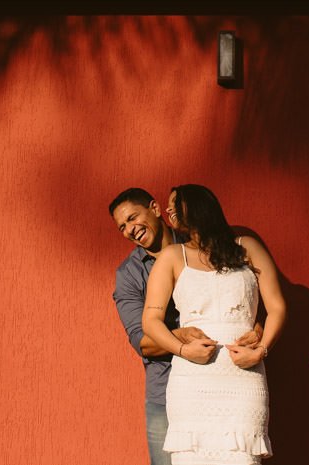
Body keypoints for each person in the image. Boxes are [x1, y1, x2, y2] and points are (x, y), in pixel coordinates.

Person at [110, 187, 260, 465]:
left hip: (229, 380)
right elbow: (142, 342)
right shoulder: (129, 275)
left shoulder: (204, 240)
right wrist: (179, 339)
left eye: (132, 218)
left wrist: (257, 331)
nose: (130, 229)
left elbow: (242, 295)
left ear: (156, 209)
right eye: (122, 227)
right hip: (167, 389)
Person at [141, 184, 286, 465]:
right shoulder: (173, 256)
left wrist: (261, 351)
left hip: (243, 379)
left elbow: (277, 307)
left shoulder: (247, 248)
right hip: (191, 382)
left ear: (198, 205)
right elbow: (150, 320)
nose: (168, 209)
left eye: (174, 203)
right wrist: (183, 350)